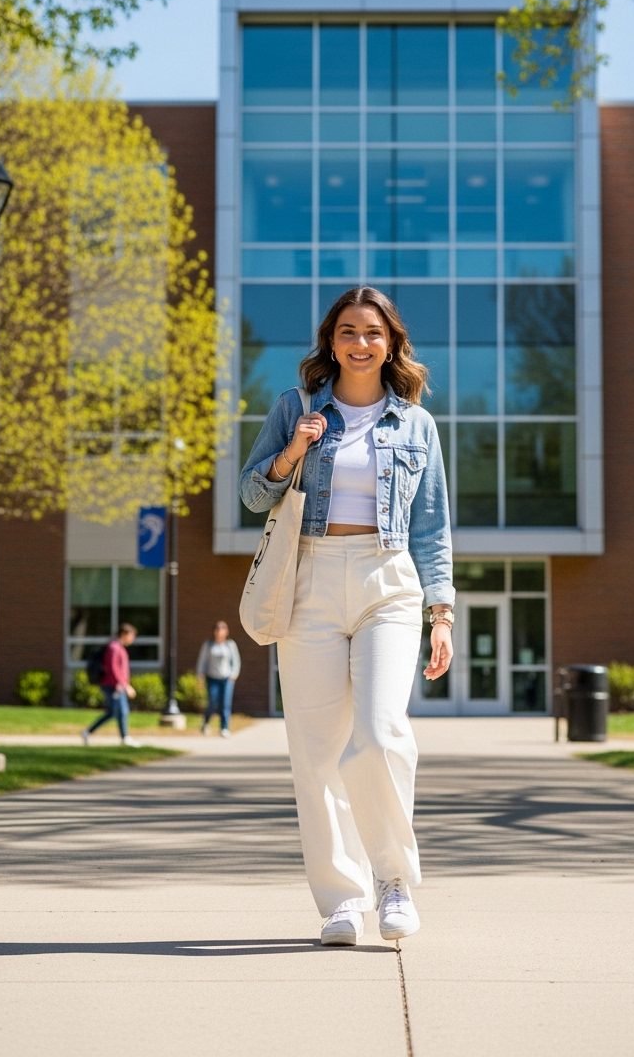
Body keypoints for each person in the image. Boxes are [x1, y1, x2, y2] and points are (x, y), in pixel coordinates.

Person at [240, 285, 454, 947]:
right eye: (348, 332)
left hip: (388, 579)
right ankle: (342, 900)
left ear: (391, 344)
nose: (361, 344)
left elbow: (431, 524)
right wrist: (292, 453)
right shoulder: (296, 408)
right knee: (316, 751)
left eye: (373, 333)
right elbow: (252, 494)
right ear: (330, 342)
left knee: (381, 732)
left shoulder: (415, 423)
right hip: (310, 575)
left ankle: (393, 879)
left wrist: (441, 613)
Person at [81, 622, 140, 748]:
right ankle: (125, 738)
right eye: (132, 635)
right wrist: (124, 685)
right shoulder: (114, 647)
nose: (132, 639)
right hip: (113, 686)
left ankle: (88, 732)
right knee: (122, 711)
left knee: (113, 713)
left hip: (117, 685)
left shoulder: (119, 647)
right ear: (124, 634)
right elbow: (113, 668)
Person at [196, 620, 241, 737]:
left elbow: (236, 662)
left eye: (223, 628)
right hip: (212, 678)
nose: (220, 631)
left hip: (227, 679)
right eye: (218, 628)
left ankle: (224, 727)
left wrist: (233, 675)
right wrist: (200, 675)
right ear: (214, 631)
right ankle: (206, 722)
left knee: (225, 703)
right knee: (213, 701)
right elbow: (202, 661)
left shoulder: (230, 645)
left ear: (227, 631)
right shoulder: (209, 645)